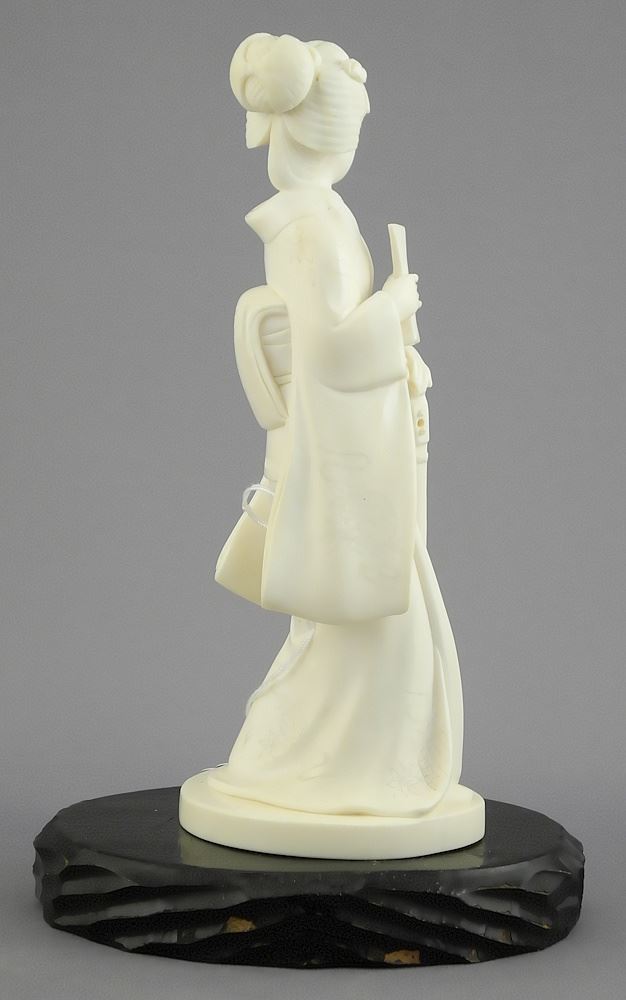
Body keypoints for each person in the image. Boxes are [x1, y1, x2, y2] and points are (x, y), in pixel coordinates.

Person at [180, 34, 484, 854]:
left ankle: (333, 762)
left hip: (355, 441)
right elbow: (334, 354)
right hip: (346, 448)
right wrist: (395, 302)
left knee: (368, 624)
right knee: (374, 623)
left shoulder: (316, 218)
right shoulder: (312, 226)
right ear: (337, 138)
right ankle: (325, 767)